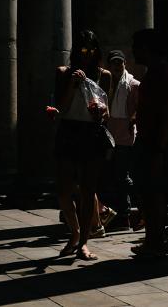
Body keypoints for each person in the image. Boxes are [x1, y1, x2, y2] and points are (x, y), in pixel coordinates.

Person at [54, 30, 111, 260]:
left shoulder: (103, 75)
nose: (87, 55)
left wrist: (101, 112)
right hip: (69, 130)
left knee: (88, 190)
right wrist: (73, 85)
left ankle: (84, 242)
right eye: (82, 50)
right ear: (76, 52)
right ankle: (75, 232)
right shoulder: (64, 73)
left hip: (91, 132)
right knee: (64, 189)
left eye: (91, 50)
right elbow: (61, 108)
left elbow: (106, 110)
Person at [130, 29, 168, 258]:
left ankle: (155, 244)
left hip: (155, 143)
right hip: (148, 140)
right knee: (148, 192)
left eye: (136, 46)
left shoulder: (162, 73)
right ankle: (152, 241)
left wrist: (160, 145)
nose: (133, 51)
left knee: (155, 193)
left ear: (146, 48)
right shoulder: (155, 72)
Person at [100, 50, 140, 230]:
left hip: (124, 136)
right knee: (107, 176)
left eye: (120, 62)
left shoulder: (133, 85)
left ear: (125, 64)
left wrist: (133, 119)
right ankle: (110, 214)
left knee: (122, 177)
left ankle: (125, 216)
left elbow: (139, 108)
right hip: (107, 135)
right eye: (114, 63)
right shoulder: (104, 83)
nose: (117, 66)